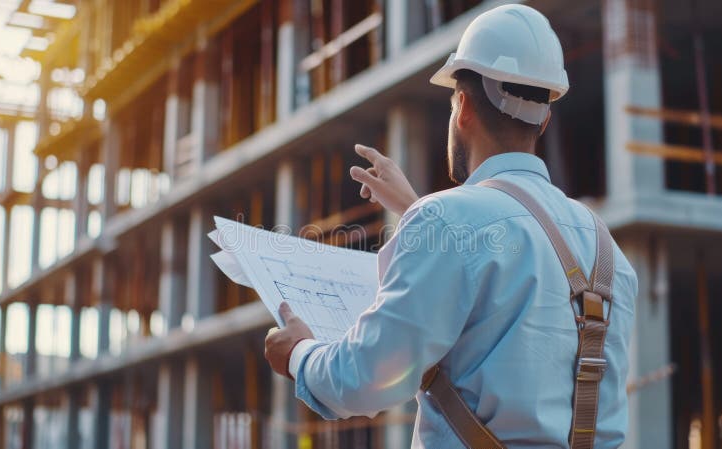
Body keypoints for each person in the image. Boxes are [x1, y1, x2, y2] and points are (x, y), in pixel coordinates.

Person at [264, 4, 637, 448]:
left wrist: (298, 354)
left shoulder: (447, 221)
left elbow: (361, 380)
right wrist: (417, 213)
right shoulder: (604, 247)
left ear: (461, 106)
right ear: (545, 117)